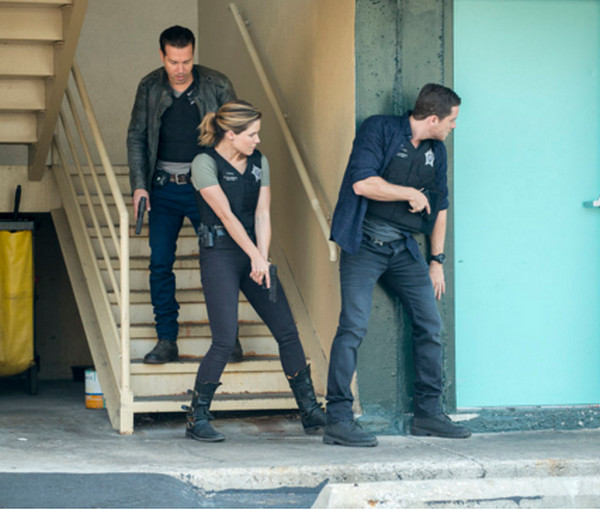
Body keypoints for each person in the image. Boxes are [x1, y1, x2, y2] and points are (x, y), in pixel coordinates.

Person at [324, 83, 471, 447]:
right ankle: (338, 419)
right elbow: (363, 184)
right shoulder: (380, 128)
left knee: (430, 325)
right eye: (452, 120)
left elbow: (441, 206)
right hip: (363, 244)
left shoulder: (437, 151)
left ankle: (428, 414)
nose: (454, 126)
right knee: (353, 327)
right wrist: (409, 193)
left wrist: (436, 260)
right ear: (433, 118)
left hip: (404, 249)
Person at [184, 100, 326, 442]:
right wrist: (254, 256)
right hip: (220, 253)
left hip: (253, 252)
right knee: (224, 339)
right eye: (252, 134)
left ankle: (310, 411)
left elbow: (262, 214)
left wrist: (262, 257)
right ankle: (197, 417)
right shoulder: (204, 163)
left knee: (287, 331)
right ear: (230, 134)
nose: (257, 140)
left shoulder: (260, 162)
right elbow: (226, 216)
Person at [127, 25, 243, 364]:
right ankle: (167, 340)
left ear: (193, 55)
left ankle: (229, 339)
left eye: (187, 61)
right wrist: (139, 185)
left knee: (219, 262)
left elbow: (236, 136)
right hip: (163, 188)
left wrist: (231, 187)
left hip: (205, 188)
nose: (180, 69)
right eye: (173, 62)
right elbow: (136, 137)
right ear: (162, 56)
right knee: (160, 263)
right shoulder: (149, 87)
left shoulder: (217, 84)